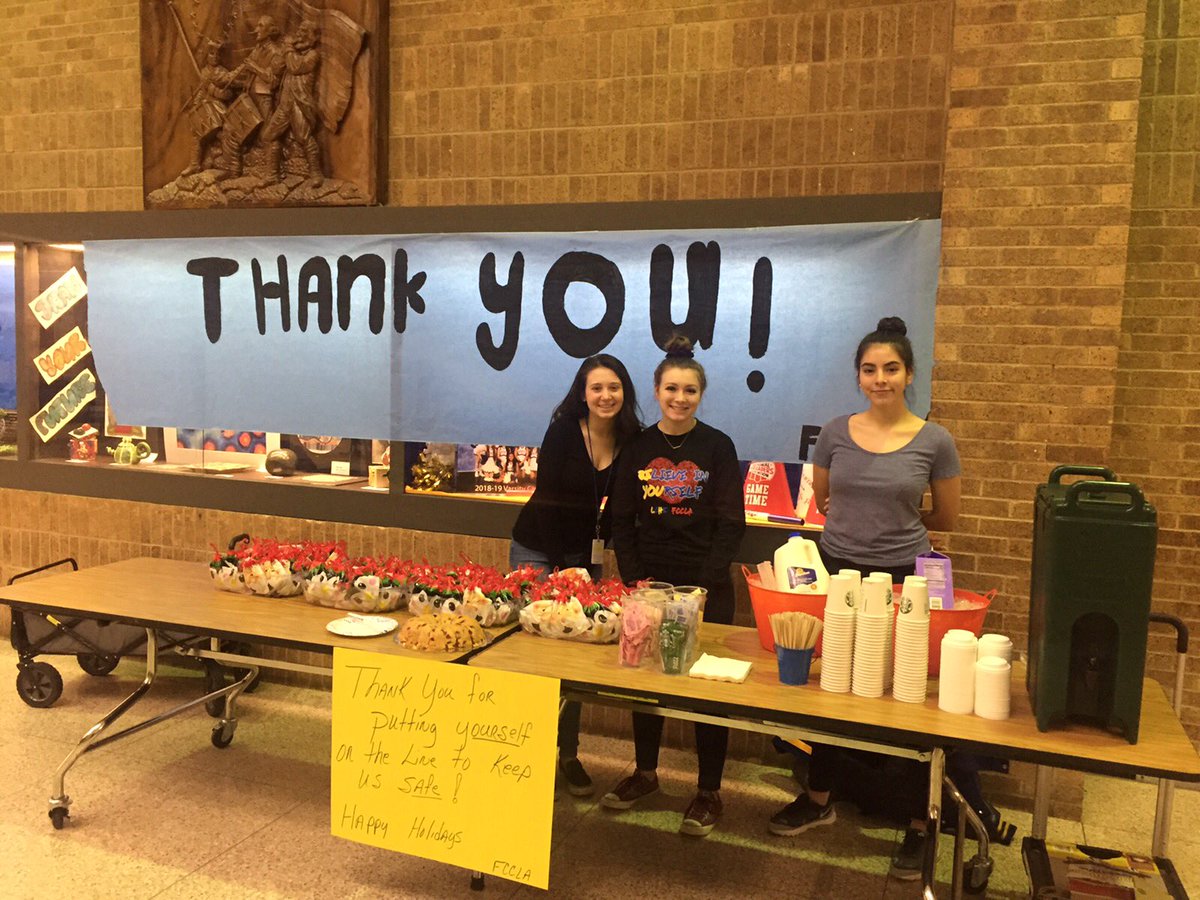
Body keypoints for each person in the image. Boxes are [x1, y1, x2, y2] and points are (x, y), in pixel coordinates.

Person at [767, 316, 961, 880]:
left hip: (905, 578)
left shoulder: (934, 439)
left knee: (902, 695)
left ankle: (919, 823)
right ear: (858, 377)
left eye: (891, 369)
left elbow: (945, 516)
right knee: (833, 689)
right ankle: (820, 797)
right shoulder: (833, 433)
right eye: (870, 370)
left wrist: (897, 530)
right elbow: (823, 502)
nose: (880, 379)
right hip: (838, 572)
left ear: (908, 374)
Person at [600, 335, 746, 837]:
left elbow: (732, 522)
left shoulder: (718, 446)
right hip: (651, 585)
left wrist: (702, 586)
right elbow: (621, 516)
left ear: (700, 395)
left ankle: (708, 790)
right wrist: (637, 582)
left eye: (689, 390)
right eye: (671, 389)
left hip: (706, 588)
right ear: (657, 392)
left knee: (708, 690)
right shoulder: (638, 446)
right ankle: (645, 773)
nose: (680, 398)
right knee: (648, 683)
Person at [510, 354, 642, 796]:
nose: (606, 396)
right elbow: (547, 497)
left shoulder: (632, 439)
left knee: (573, 657)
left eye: (614, 387)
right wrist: (563, 568)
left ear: (625, 392)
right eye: (596, 388)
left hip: (588, 554)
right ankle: (518, 752)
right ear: (582, 393)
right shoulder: (565, 429)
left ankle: (568, 754)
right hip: (537, 545)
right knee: (528, 653)